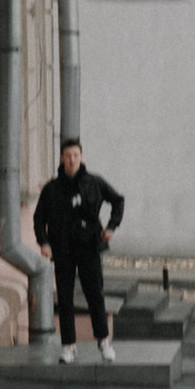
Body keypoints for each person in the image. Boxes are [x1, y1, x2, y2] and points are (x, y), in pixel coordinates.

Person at [32, 138, 125, 363]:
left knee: (95, 295)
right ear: (62, 158)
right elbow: (38, 218)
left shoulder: (94, 183)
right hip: (62, 249)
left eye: (75, 155)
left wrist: (112, 227)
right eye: (67, 155)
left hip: (89, 246)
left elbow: (118, 200)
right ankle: (68, 346)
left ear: (81, 157)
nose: (71, 159)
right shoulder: (52, 189)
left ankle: (103, 342)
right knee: (65, 298)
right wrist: (44, 243)